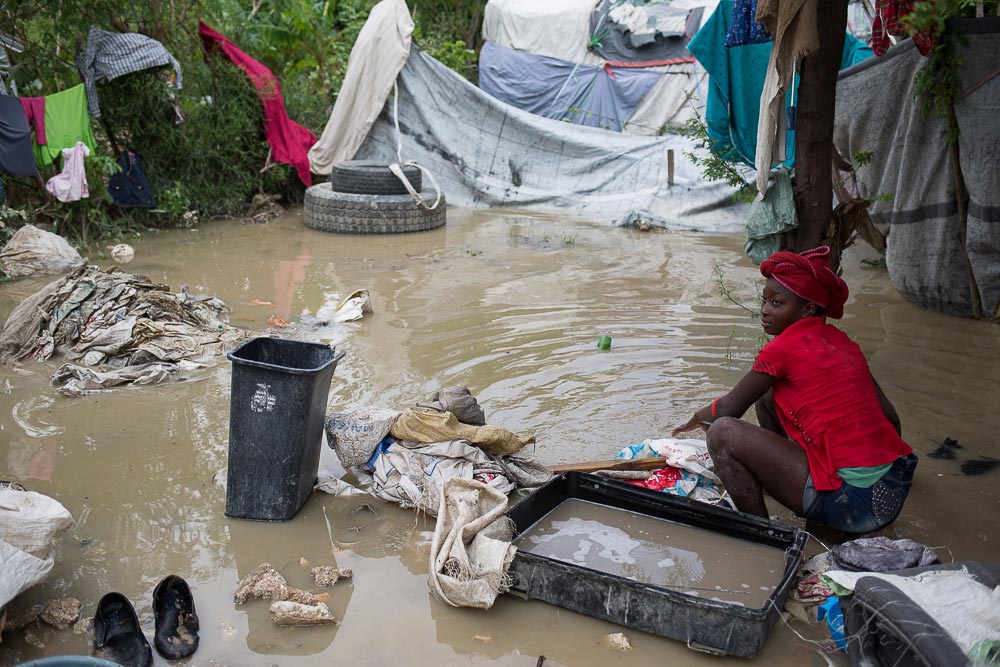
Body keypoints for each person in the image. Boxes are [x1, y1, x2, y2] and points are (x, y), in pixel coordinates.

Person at [672, 246, 917, 534]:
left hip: (852, 504)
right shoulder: (843, 344)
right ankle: (811, 503)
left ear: (808, 310)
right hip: (891, 493)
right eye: (764, 300)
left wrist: (697, 416)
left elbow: (727, 412)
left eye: (777, 303)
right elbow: (891, 419)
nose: (764, 309)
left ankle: (762, 536)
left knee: (721, 432)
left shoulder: (781, 349)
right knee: (767, 394)